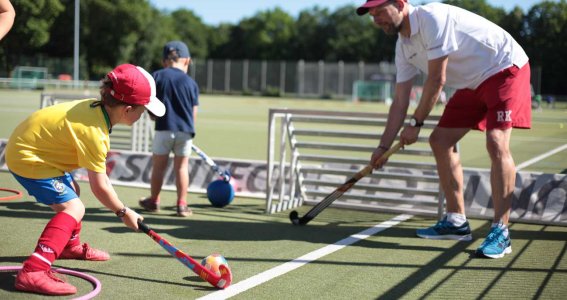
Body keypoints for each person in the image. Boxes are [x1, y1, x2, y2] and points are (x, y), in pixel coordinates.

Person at [358, 0, 531, 258]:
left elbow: (437, 79)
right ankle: (456, 221)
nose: (376, 19)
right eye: (372, 15)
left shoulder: (432, 18)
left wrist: (416, 123)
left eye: (380, 11)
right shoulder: (403, 46)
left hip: (504, 67)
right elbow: (400, 100)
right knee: (440, 141)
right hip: (472, 83)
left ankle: (501, 232)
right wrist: (383, 146)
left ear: (401, 4)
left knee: (496, 141)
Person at [6, 63, 166, 295]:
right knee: (74, 208)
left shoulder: (95, 110)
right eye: (143, 109)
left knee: (72, 192)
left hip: (37, 151)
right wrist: (123, 212)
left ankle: (69, 246)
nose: (144, 115)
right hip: (27, 156)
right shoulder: (95, 132)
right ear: (128, 109)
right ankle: (34, 271)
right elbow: (100, 187)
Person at [139, 41, 199, 217]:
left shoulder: (157, 76)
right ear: (186, 61)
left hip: (163, 129)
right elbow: (193, 112)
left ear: (164, 61)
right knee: (181, 168)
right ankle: (182, 204)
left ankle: (154, 200)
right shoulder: (191, 83)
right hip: (186, 131)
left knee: (158, 167)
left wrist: (153, 116)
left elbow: (151, 107)